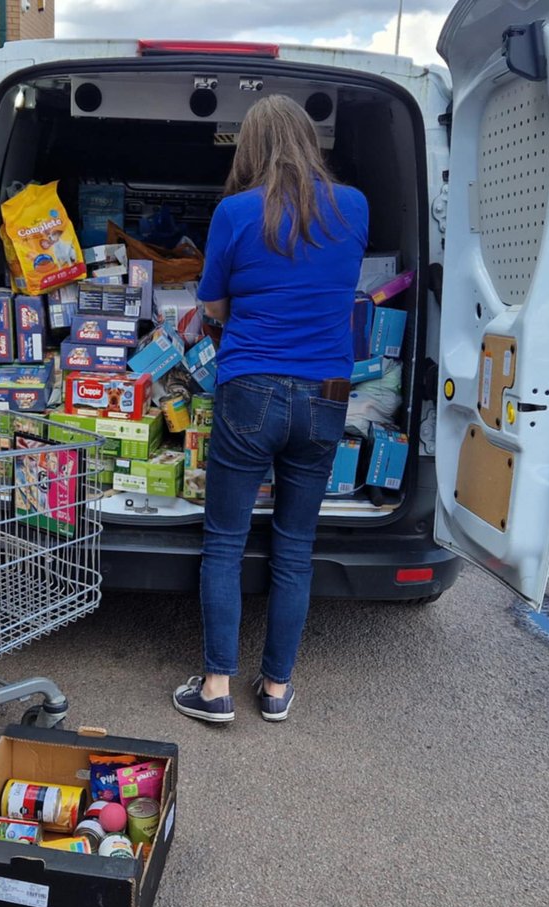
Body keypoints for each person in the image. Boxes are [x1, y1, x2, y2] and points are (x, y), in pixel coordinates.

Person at [172, 94, 368, 725]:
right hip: (328, 394)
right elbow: (336, 288)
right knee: (295, 545)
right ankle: (277, 688)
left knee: (226, 541)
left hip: (252, 386)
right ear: (311, 141)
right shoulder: (355, 206)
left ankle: (216, 688)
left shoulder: (234, 213)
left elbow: (217, 310)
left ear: (250, 148)